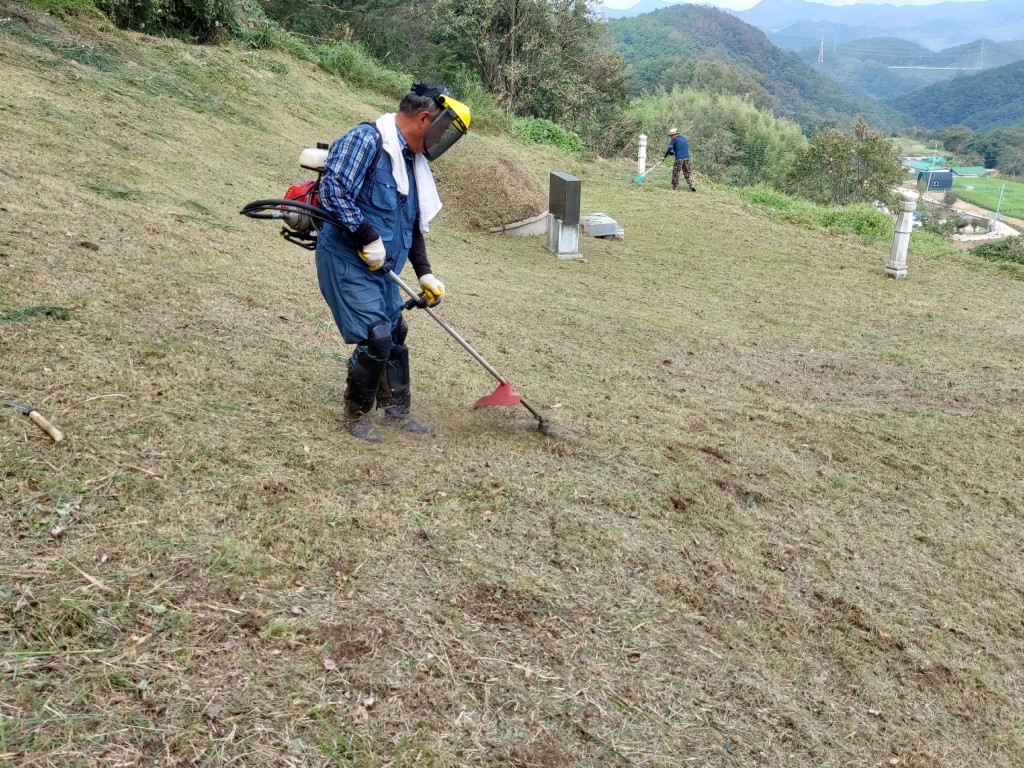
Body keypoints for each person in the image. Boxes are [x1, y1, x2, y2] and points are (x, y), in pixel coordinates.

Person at [315, 82, 471, 442]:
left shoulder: (409, 161)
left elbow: (411, 224)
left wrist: (425, 273)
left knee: (396, 332)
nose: (440, 140)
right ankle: (355, 415)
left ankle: (396, 411)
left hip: (382, 268)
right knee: (377, 336)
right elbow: (333, 191)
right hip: (346, 259)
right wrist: (367, 235)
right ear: (423, 118)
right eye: (443, 131)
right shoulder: (366, 140)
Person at [664, 127, 696, 192]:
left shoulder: (674, 139)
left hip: (679, 159)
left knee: (676, 173)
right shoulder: (684, 139)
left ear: (674, 134)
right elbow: (681, 148)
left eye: (671, 135)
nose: (671, 137)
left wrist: (665, 156)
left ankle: (675, 187)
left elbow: (670, 148)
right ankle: (692, 185)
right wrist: (672, 153)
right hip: (686, 158)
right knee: (687, 172)